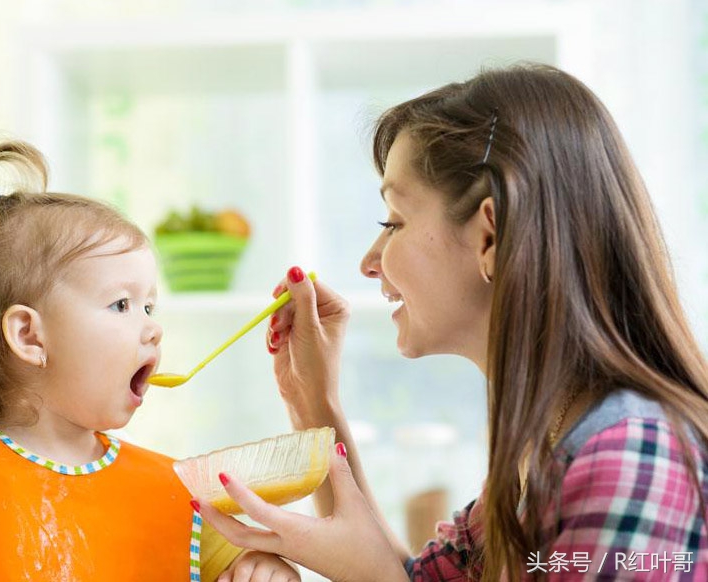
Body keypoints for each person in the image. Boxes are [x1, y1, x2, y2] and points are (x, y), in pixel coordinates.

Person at [196, 63, 708, 580]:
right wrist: (313, 398)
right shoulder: (541, 452)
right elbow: (413, 578)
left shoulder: (627, 459)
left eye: (393, 222)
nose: (370, 261)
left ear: (490, 237)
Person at [0, 137, 299, 582]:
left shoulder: (175, 491)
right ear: (29, 336)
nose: (153, 327)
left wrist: (263, 566)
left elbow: (243, 561)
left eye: (149, 307)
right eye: (121, 304)